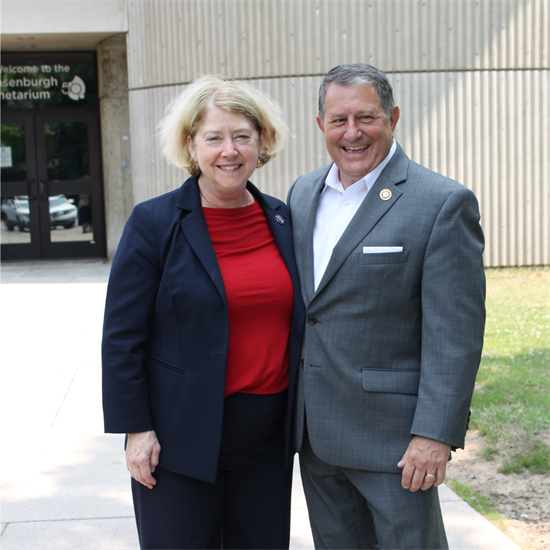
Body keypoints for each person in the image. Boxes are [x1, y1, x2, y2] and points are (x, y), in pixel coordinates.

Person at [287, 63, 486, 549]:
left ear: (393, 117)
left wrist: (434, 435)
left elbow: (455, 335)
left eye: (366, 117)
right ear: (321, 126)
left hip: (396, 444)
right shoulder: (301, 194)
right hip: (315, 438)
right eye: (338, 120)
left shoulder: (441, 202)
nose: (352, 133)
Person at [102, 75, 305, 550]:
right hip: (178, 439)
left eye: (241, 136)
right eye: (214, 137)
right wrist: (136, 429)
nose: (229, 151)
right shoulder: (154, 223)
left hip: (267, 442)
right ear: (191, 146)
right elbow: (122, 337)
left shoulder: (285, 219)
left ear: (261, 142)